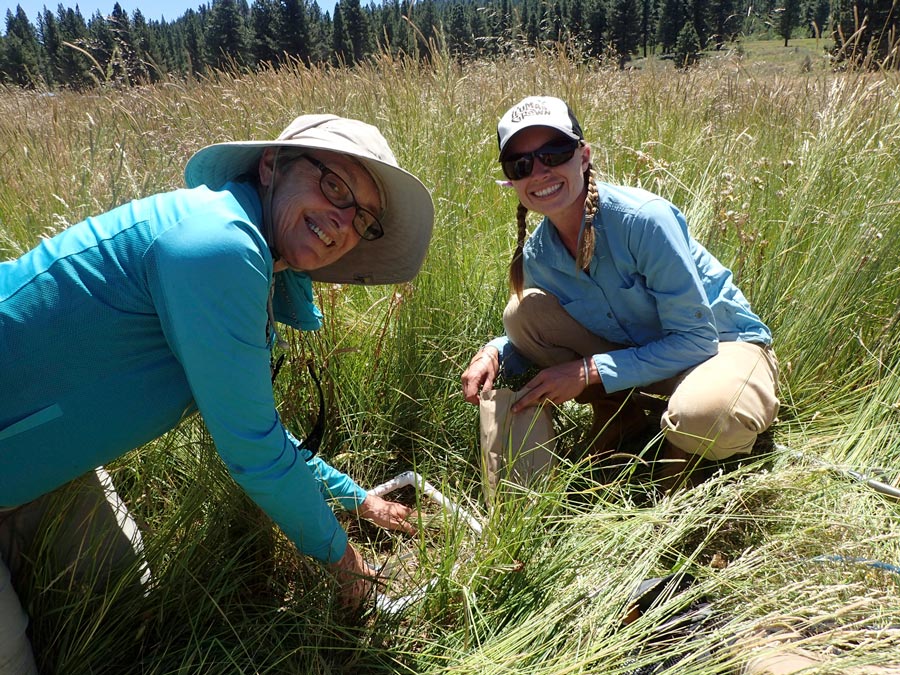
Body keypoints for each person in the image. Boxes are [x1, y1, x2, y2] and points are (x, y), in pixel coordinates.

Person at [0, 113, 434, 672]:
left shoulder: (246, 255)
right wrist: (344, 562)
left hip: (41, 467)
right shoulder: (218, 243)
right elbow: (254, 450)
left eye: (363, 217)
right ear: (272, 166)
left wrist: (357, 498)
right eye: (333, 184)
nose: (343, 219)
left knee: (129, 613)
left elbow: (253, 427)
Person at [461, 95, 779, 487]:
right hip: (645, 357)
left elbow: (697, 340)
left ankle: (687, 441)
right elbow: (537, 331)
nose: (540, 172)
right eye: (521, 164)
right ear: (511, 180)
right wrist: (493, 352)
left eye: (555, 153)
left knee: (706, 418)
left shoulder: (644, 221)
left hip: (720, 347)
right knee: (521, 314)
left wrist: (587, 372)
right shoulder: (540, 254)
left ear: (583, 156)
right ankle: (622, 417)